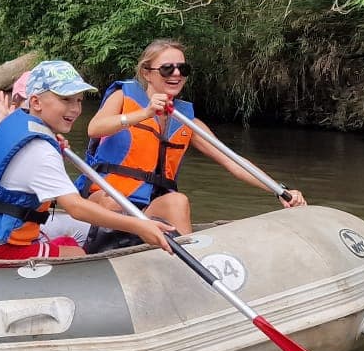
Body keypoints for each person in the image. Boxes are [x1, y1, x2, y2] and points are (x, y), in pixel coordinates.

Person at [80, 38, 306, 251]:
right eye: (168, 68)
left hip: (149, 205)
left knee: (178, 201)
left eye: (183, 69)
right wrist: (145, 113)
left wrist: (279, 190)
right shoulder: (122, 97)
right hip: (106, 198)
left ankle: (190, 264)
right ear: (147, 73)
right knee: (113, 202)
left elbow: (233, 161)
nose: (177, 74)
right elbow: (95, 128)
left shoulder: (186, 121)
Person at [0, 61, 175, 261]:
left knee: (81, 230)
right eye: (65, 99)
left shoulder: (16, 120)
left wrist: (50, 139)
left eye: (78, 100)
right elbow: (76, 208)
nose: (75, 109)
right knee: (76, 253)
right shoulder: (40, 151)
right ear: (36, 102)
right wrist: (139, 226)